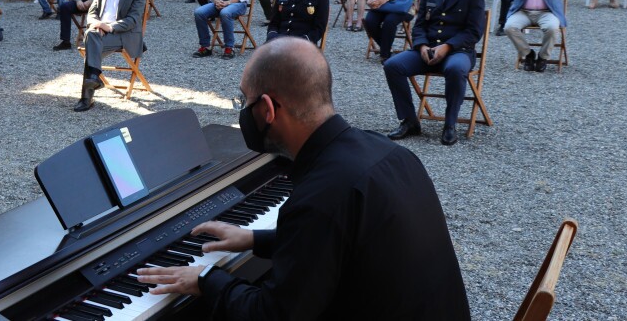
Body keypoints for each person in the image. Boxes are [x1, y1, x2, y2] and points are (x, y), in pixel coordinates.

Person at [136, 37, 472, 320]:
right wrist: (255, 239)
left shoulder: (322, 196)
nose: (243, 109)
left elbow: (273, 314)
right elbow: (337, 242)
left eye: (244, 100)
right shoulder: (387, 152)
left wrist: (206, 279)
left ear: (268, 109)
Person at [385, 0, 485, 146]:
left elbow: (473, 32)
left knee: (455, 69)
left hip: (458, 51)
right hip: (427, 50)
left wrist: (447, 46)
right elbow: (419, 25)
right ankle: (409, 121)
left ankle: (450, 124)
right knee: (392, 66)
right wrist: (421, 46)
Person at [75, 0, 146, 112]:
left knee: (91, 42)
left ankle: (87, 97)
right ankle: (94, 78)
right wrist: (97, 24)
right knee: (92, 35)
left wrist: (109, 27)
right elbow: (92, 13)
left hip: (123, 34)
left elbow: (133, 20)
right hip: (99, 32)